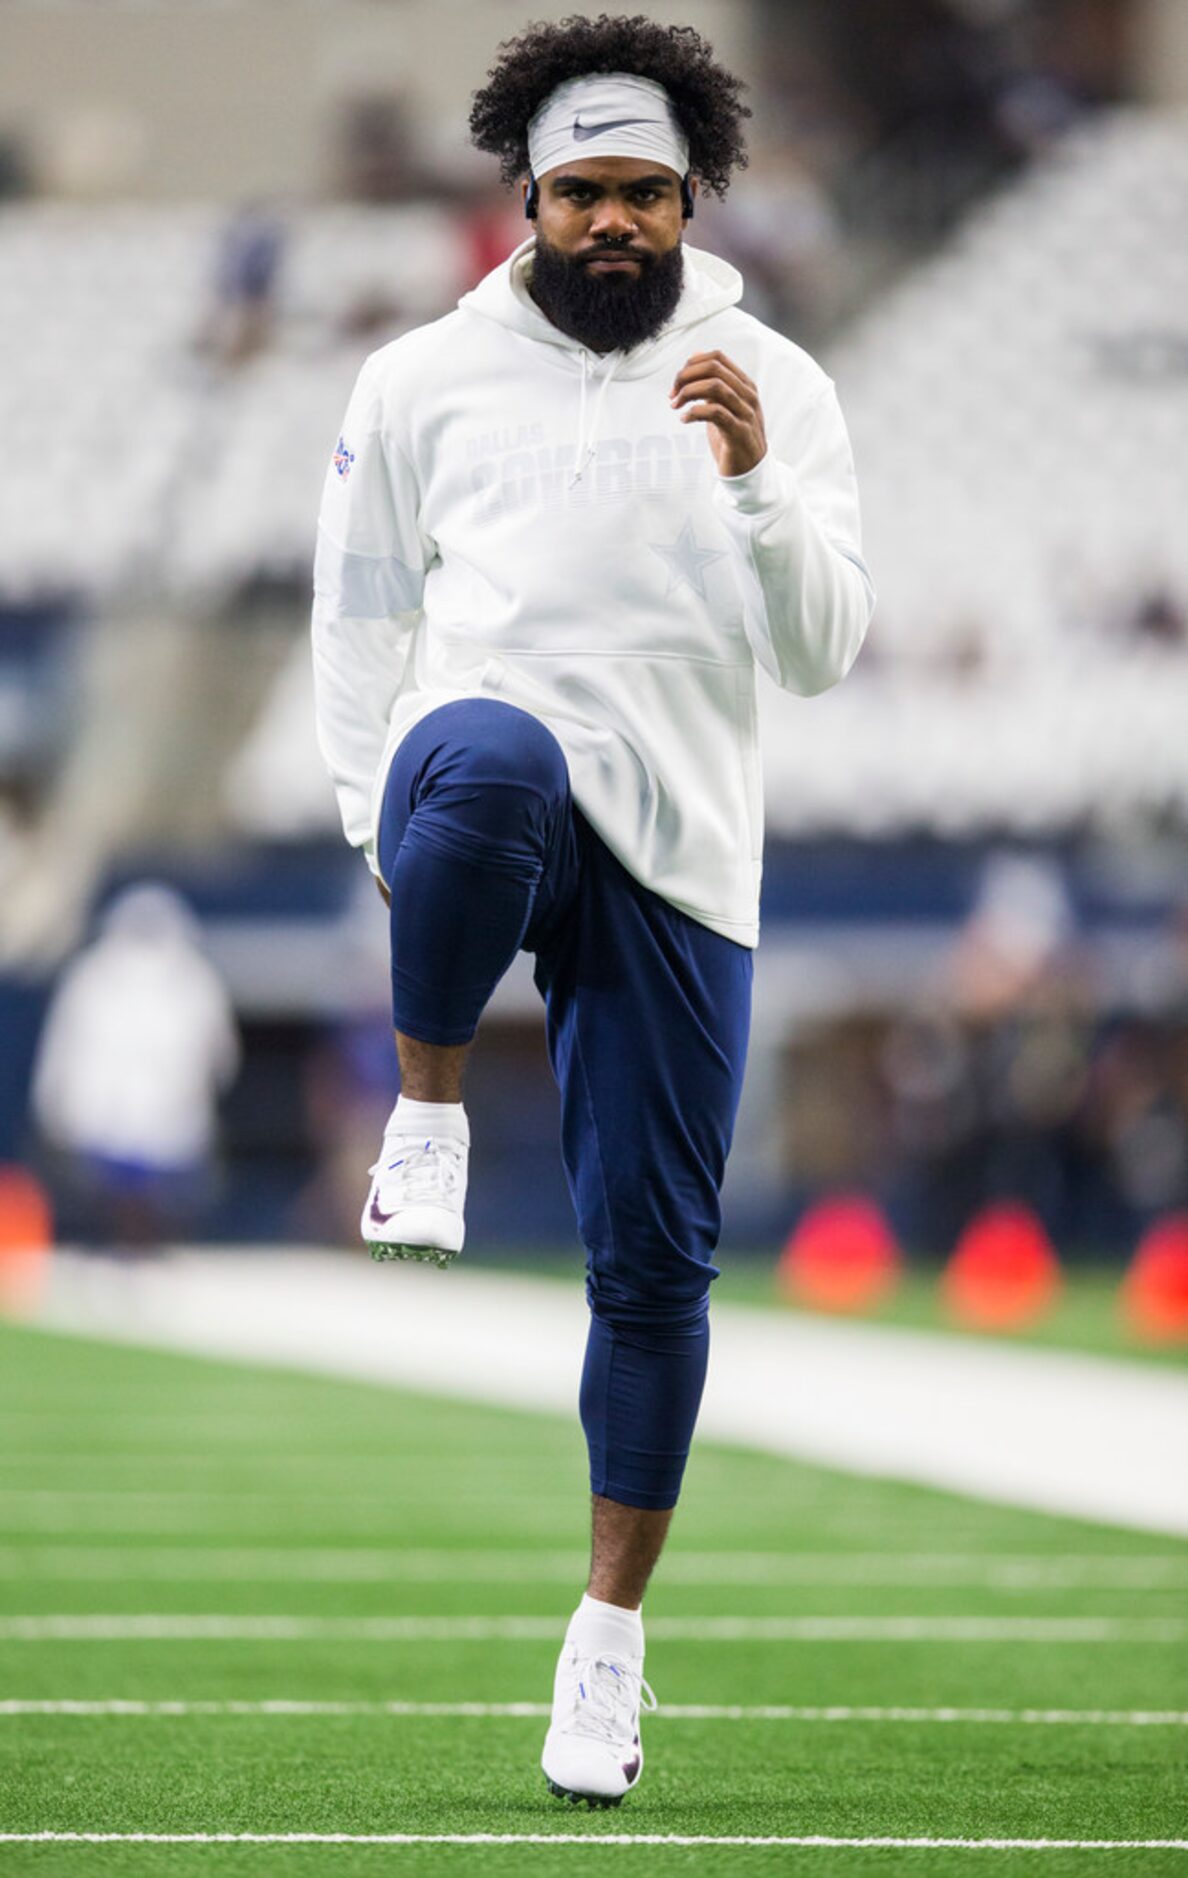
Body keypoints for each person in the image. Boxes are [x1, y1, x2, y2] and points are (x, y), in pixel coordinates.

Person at [311, 15, 874, 1809]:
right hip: (498, 793)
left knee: (653, 1268)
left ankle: (606, 1646)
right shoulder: (418, 379)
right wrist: (366, 827)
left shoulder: (774, 374)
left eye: (645, 192)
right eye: (581, 194)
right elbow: (358, 618)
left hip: (687, 841)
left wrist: (764, 481)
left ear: (694, 196)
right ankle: (427, 1108)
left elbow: (826, 652)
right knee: (476, 755)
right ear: (526, 200)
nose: (614, 222)